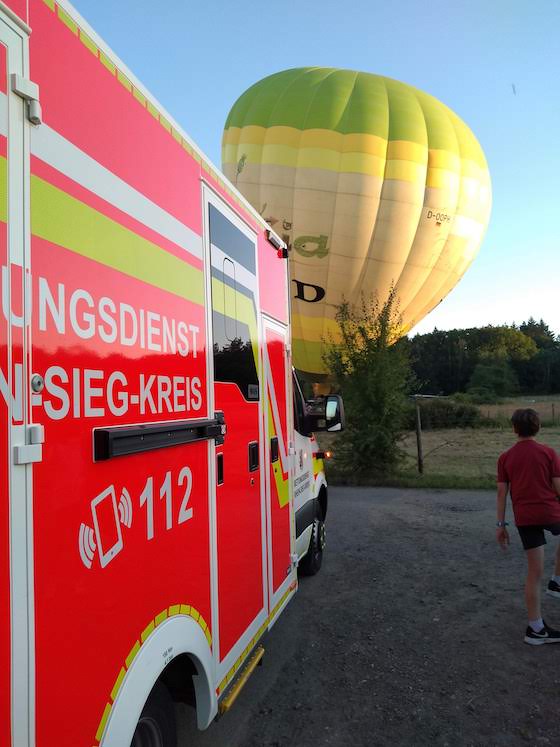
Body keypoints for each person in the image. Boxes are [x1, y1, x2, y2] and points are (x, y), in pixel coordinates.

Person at [496, 408, 560, 645]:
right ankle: (557, 582)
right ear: (538, 427)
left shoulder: (505, 457)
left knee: (534, 572)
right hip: (551, 512)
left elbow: (502, 493)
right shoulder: (548, 453)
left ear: (514, 429)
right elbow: (557, 487)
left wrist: (501, 524)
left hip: (525, 518)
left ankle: (535, 629)